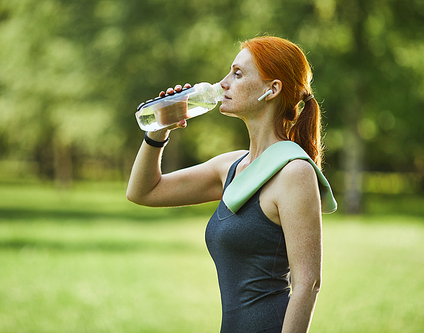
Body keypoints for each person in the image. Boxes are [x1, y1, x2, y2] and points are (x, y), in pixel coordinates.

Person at [126, 36, 336, 333]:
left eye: (237, 74)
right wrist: (157, 131)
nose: (222, 83)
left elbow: (308, 283)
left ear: (271, 89)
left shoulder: (294, 172)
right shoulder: (231, 166)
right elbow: (142, 192)